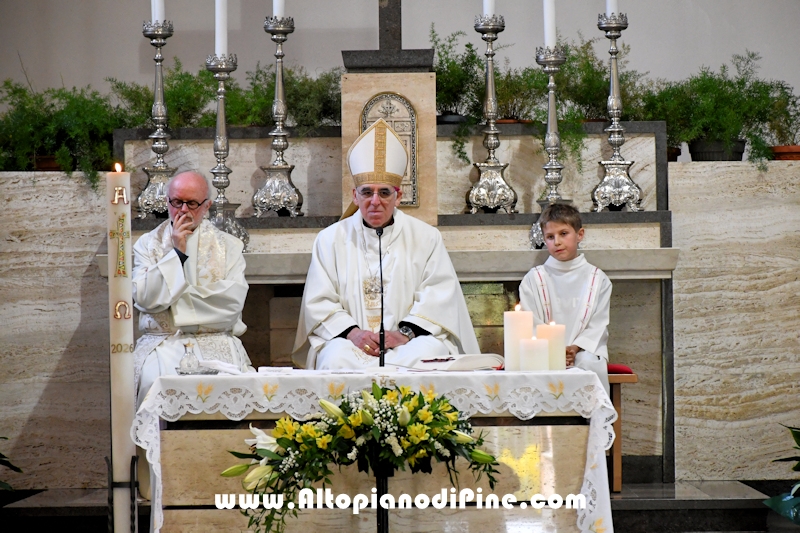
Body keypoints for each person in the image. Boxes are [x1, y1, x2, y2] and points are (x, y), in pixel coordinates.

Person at [293, 119, 479, 370]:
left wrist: (404, 334)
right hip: (351, 344)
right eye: (367, 192)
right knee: (335, 358)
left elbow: (439, 295)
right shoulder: (329, 240)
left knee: (431, 354)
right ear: (354, 196)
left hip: (408, 344)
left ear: (398, 196)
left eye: (384, 193)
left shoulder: (426, 237)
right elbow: (320, 302)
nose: (375, 201)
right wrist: (354, 334)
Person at [132, 171, 252, 407]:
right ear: (167, 202)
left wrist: (171, 303)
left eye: (192, 203)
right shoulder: (146, 245)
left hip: (215, 341)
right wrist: (177, 252)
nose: (183, 210)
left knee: (235, 389)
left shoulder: (229, 246)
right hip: (163, 343)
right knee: (152, 382)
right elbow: (144, 297)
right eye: (177, 202)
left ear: (207, 206)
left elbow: (231, 304)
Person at [519, 203, 611, 395]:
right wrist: (555, 349)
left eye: (563, 234)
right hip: (543, 351)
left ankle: (592, 422)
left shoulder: (597, 278)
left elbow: (598, 325)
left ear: (580, 234)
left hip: (585, 351)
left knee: (587, 362)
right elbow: (530, 322)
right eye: (550, 237)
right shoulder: (534, 279)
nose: (557, 242)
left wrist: (574, 349)